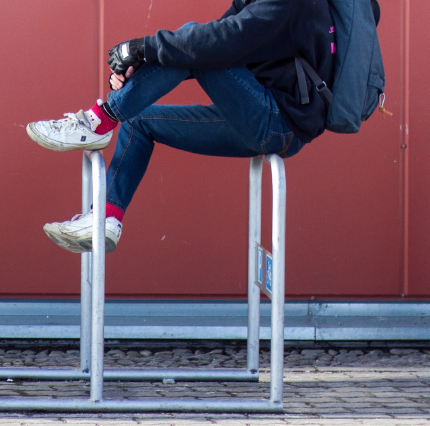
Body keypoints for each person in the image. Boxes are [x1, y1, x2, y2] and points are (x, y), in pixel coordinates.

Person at [27, 0, 346, 253]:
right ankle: (106, 217)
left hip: (278, 122)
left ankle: (100, 120)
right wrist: (138, 71)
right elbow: (210, 47)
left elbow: (214, 45)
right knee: (140, 121)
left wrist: (142, 47)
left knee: (196, 43)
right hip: (261, 115)